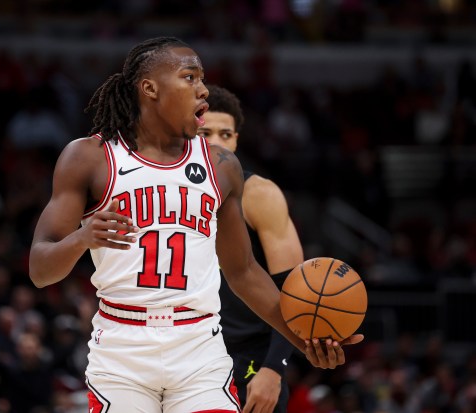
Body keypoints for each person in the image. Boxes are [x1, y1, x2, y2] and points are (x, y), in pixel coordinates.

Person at [29, 36, 363, 413]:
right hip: (123, 349)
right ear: (150, 88)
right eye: (190, 77)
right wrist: (81, 238)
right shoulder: (89, 157)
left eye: (202, 78)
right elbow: (40, 269)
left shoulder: (221, 166)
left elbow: (244, 272)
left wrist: (304, 340)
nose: (203, 89)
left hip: (198, 346)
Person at [198, 84, 303, 413]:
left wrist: (275, 368)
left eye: (225, 134)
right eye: (206, 133)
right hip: (184, 356)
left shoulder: (260, 195)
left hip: (249, 358)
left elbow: (295, 292)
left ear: (237, 140)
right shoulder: (166, 193)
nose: (217, 142)